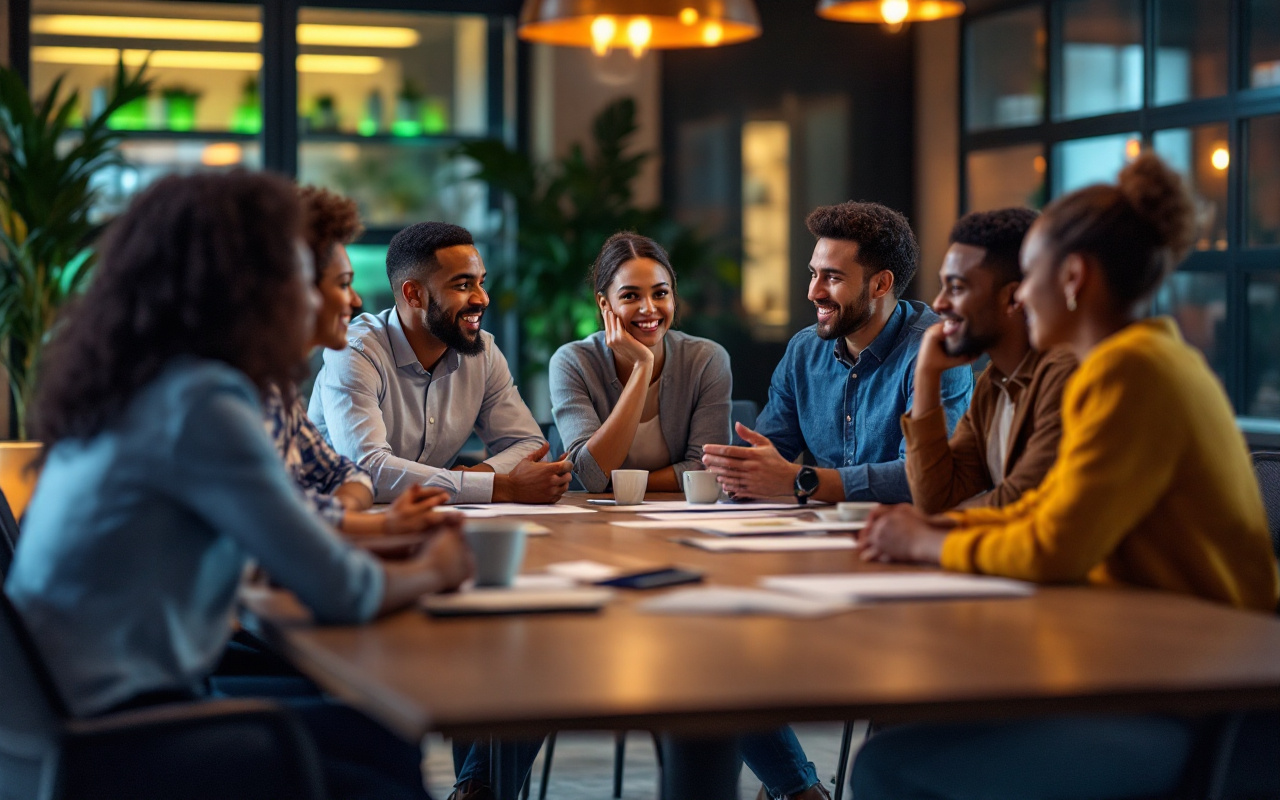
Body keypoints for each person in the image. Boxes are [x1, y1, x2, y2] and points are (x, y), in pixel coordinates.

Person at [5, 171, 474, 800]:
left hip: (59, 726)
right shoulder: (201, 401)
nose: (337, 300)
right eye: (303, 276)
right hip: (116, 738)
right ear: (252, 288)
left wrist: (381, 542)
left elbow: (281, 553)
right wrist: (439, 569)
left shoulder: (148, 385)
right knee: (376, 740)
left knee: (366, 724)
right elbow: (341, 591)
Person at [853, 153, 1280, 800]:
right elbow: (1046, 514)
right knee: (910, 731)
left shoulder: (1128, 372)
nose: (1020, 295)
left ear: (1074, 278)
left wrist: (923, 540)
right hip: (1145, 672)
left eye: (1028, 275)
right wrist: (923, 523)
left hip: (1187, 705)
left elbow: (1053, 544)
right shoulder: (1144, 359)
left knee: (889, 766)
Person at [703, 201, 973, 505]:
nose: (813, 292)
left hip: (906, 535)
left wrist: (801, 481)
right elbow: (770, 453)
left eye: (832, 278)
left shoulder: (935, 353)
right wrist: (741, 471)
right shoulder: (804, 350)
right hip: (821, 532)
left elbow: (922, 477)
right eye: (813, 274)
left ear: (881, 284)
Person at [309, 221, 571, 505]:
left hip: (426, 520)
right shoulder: (355, 352)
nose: (482, 298)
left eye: (481, 283)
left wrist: (480, 476)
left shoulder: (482, 352)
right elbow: (368, 469)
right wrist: (499, 487)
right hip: (336, 523)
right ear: (414, 295)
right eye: (462, 285)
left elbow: (530, 445)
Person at [268, 185, 455, 537]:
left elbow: (347, 477)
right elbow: (277, 526)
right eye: (343, 284)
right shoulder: (223, 399)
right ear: (293, 290)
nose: (354, 301)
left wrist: (337, 518)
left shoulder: (274, 394)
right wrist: (384, 531)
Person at [904, 208, 1077, 513]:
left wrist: (920, 532)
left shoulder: (1066, 374)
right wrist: (926, 374)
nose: (939, 303)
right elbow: (935, 498)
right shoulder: (992, 383)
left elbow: (1020, 503)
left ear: (1013, 298)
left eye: (956, 288)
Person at [549, 232, 731, 493]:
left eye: (660, 293)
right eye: (631, 296)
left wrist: (617, 483)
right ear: (604, 304)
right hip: (593, 520)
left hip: (677, 515)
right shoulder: (573, 363)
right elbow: (591, 476)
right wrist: (642, 366)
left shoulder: (706, 360)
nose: (648, 308)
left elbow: (705, 470)